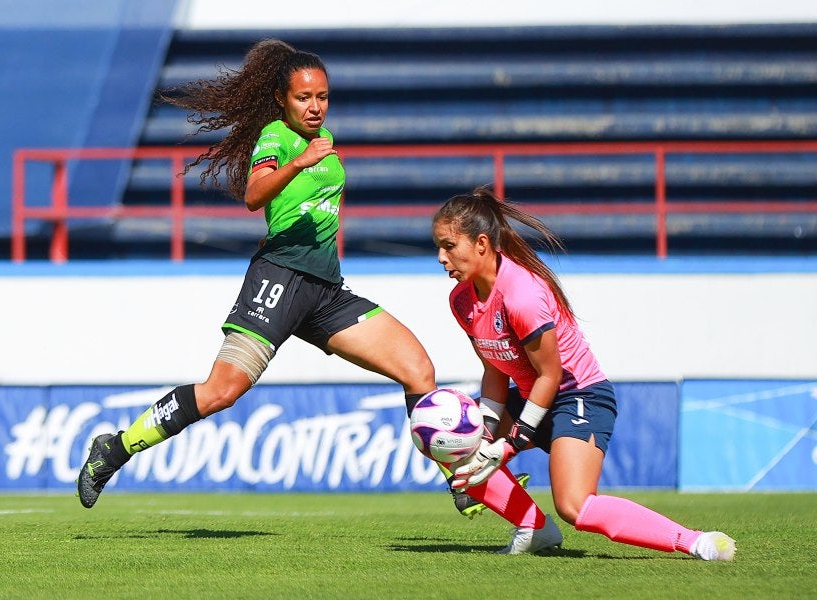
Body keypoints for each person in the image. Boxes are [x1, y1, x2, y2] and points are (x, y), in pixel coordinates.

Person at [75, 40, 533, 540]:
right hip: (278, 279)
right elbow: (254, 196)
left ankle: (460, 480)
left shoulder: (325, 142)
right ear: (282, 99)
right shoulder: (277, 138)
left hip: (325, 292)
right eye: (304, 98)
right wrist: (300, 162)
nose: (315, 106)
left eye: (322, 97)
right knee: (220, 393)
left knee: (418, 369)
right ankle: (114, 448)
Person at [434, 186, 737, 560]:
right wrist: (481, 432)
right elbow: (494, 370)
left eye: (449, 246)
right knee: (452, 439)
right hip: (535, 396)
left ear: (481, 244)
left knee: (575, 505)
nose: (441, 257)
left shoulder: (522, 294)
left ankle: (696, 540)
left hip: (577, 395)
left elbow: (551, 376)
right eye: (439, 247)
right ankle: (535, 529)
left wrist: (510, 443)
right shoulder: (461, 299)